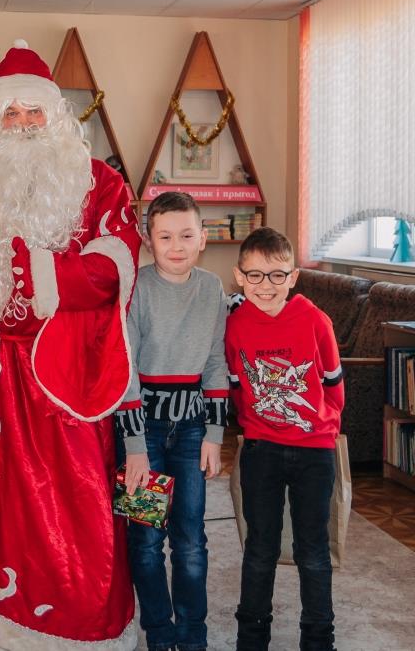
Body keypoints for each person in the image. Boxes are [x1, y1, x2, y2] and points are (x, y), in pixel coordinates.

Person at [0, 39, 141, 648]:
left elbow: (118, 262)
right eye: (10, 113)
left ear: (55, 115)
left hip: (61, 373)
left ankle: (71, 626)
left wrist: (48, 276)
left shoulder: (100, 183)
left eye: (34, 111)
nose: (24, 123)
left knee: (75, 507)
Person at [115, 192, 229, 651]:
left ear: (203, 238)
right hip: (144, 431)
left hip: (193, 431)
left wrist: (214, 435)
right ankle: (159, 635)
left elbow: (217, 361)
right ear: (148, 240)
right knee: (145, 541)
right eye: (165, 237)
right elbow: (124, 370)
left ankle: (192, 636)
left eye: (186, 235)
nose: (176, 246)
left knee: (190, 540)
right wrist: (135, 448)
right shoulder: (136, 289)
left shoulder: (213, 289)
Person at [226, 227, 342, 651]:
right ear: (239, 277)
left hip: (315, 451)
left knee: (313, 550)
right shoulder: (236, 326)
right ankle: (251, 637)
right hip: (262, 450)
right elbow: (237, 386)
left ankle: (318, 638)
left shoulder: (315, 320)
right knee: (260, 547)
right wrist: (253, 427)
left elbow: (334, 384)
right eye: (254, 275)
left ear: (293, 277)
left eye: (277, 275)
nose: (266, 285)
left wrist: (323, 426)